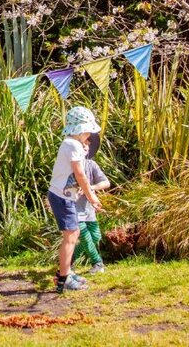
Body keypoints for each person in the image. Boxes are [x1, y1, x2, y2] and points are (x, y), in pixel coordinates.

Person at [48, 106, 103, 293]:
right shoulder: (71, 144)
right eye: (88, 130)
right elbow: (80, 174)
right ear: (80, 129)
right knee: (71, 236)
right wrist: (92, 196)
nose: (89, 134)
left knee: (74, 233)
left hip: (65, 196)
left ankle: (66, 271)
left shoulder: (75, 145)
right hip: (61, 197)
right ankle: (63, 278)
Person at [73, 131, 110, 274]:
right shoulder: (70, 165)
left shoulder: (91, 164)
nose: (85, 147)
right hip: (74, 208)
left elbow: (106, 182)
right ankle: (98, 263)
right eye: (83, 144)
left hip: (89, 208)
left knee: (95, 236)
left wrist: (90, 188)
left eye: (87, 145)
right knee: (85, 235)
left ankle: (70, 259)